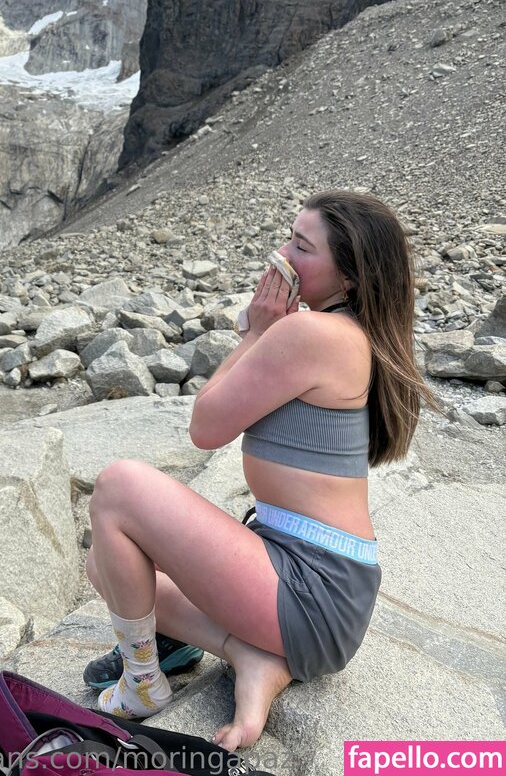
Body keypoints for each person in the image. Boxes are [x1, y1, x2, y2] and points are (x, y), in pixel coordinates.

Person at [82, 190, 440, 748]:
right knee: (105, 566)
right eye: (288, 239)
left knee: (117, 488)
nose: (282, 256)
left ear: (349, 278)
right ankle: (248, 653)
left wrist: (256, 331)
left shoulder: (312, 334)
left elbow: (205, 427)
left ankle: (142, 683)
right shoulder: (349, 332)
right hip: (320, 591)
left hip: (310, 588)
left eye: (302, 247)